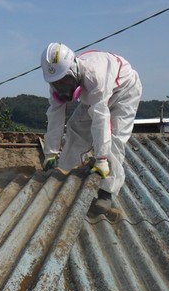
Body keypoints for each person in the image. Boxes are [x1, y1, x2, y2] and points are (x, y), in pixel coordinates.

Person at [40, 42, 142, 214]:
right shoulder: (55, 82)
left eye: (65, 81)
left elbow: (100, 117)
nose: (62, 87)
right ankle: (64, 174)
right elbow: (55, 114)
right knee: (74, 128)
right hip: (93, 95)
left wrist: (101, 158)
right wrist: (50, 153)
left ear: (73, 70)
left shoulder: (95, 75)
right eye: (57, 83)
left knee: (113, 137)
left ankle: (106, 192)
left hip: (124, 91)